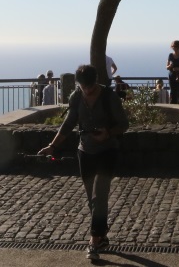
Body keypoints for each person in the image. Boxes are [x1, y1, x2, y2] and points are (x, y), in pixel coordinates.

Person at [38, 64, 129, 259]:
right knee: (92, 199)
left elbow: (124, 124)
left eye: (90, 86)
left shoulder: (109, 97)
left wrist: (108, 133)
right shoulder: (77, 97)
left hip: (107, 150)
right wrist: (52, 146)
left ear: (96, 81)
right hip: (85, 151)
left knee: (99, 195)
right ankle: (102, 236)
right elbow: (69, 123)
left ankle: (94, 242)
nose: (87, 90)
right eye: (83, 86)